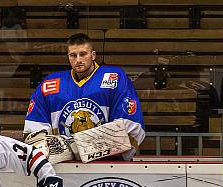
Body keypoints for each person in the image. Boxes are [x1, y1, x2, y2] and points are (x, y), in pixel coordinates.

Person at [23, 32, 145, 161]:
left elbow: (129, 129)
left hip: (109, 165)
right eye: (73, 55)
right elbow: (34, 133)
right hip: (65, 168)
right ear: (68, 56)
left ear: (93, 55)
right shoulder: (51, 84)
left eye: (83, 54)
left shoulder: (114, 78)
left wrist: (76, 146)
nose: (78, 60)